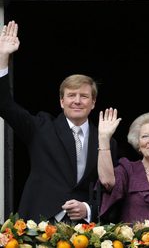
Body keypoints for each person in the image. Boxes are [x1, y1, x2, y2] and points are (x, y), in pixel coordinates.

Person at [0, 21, 117, 224]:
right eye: (71, 95)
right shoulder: (40, 128)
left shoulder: (106, 141)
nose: (77, 101)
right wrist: (3, 56)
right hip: (39, 224)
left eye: (84, 96)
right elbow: (4, 105)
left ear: (93, 103)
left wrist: (88, 208)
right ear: (61, 101)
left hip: (85, 230)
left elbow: (113, 191)